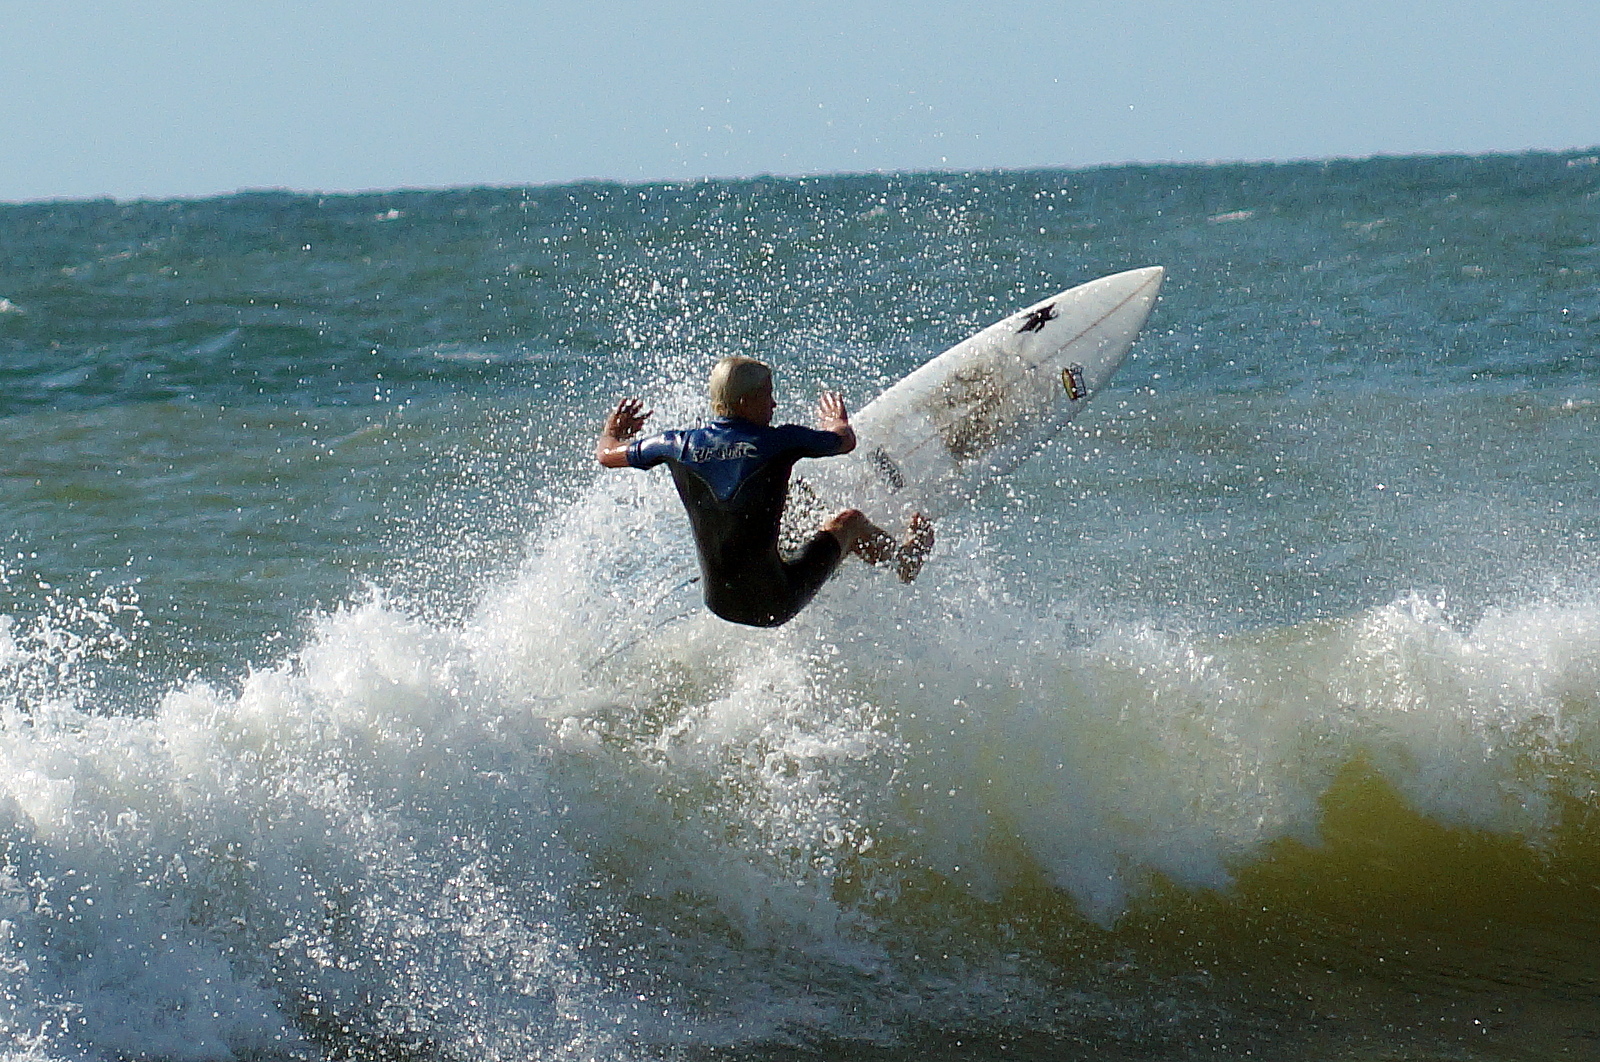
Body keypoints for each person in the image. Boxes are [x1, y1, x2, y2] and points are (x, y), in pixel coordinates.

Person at [596, 356, 933, 628]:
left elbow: (607, 454)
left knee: (791, 492)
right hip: (775, 601)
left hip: (719, 603)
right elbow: (845, 442)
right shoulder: (777, 442)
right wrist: (836, 421)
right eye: (767, 395)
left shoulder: (675, 445)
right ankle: (904, 561)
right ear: (745, 402)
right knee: (850, 521)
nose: (774, 403)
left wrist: (613, 430)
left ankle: (806, 547)